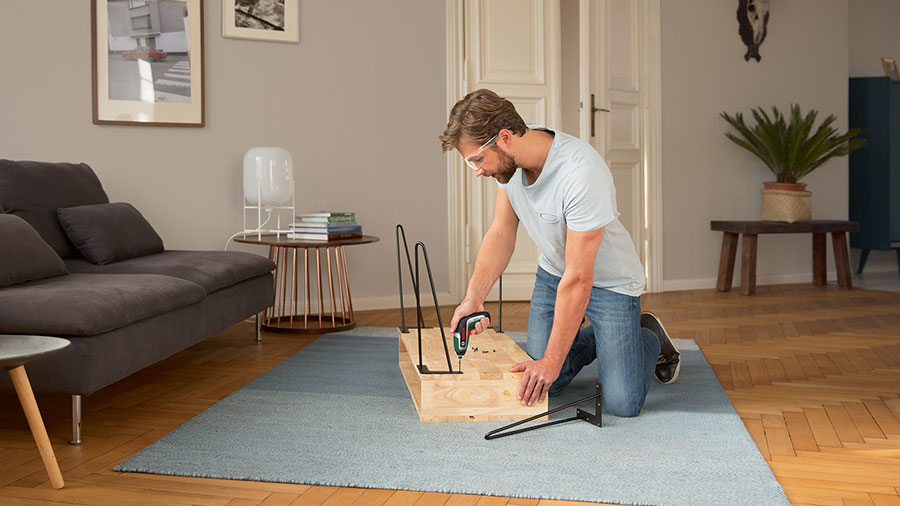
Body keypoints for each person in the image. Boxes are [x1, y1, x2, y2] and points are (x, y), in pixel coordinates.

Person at [439, 89, 680, 417]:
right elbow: (501, 232)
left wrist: (551, 361)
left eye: (476, 160)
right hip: (555, 273)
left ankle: (647, 334)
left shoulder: (580, 172)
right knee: (540, 384)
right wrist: (473, 298)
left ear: (504, 138)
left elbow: (579, 279)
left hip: (610, 283)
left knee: (622, 403)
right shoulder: (509, 165)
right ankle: (601, 339)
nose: (476, 171)